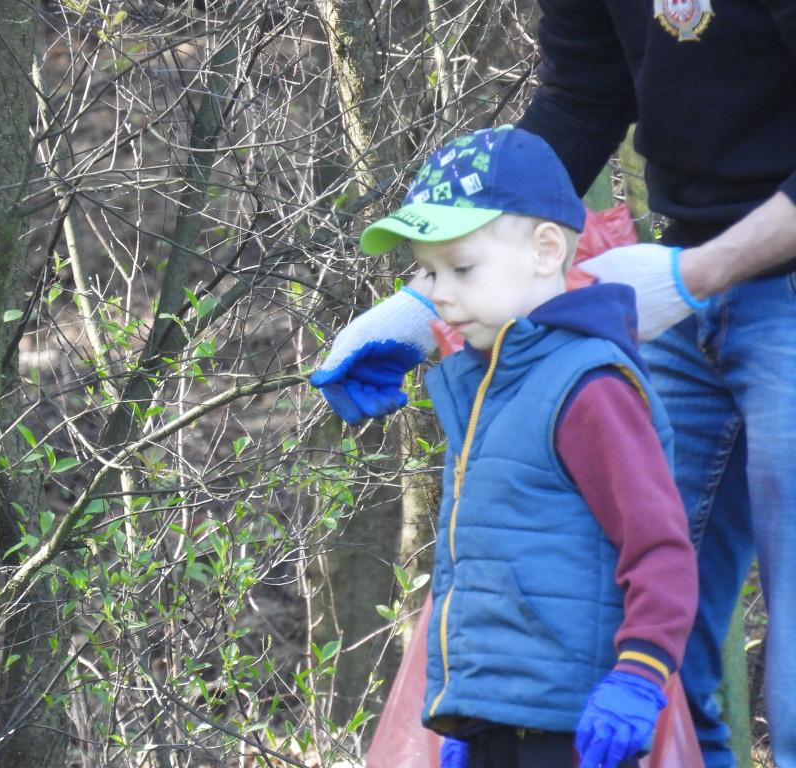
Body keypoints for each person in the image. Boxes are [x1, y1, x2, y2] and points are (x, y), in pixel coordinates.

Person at [310, 6, 796, 766]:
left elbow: (654, 548)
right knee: (672, 689)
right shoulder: (516, 379)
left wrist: (702, 272)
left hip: (756, 283)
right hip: (682, 273)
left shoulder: (587, 386)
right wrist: (426, 298)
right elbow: (580, 99)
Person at [333, 125, 697, 768]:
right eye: (427, 270)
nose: (438, 294)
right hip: (497, 728)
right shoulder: (486, 390)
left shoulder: (588, 389)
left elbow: (659, 546)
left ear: (546, 249)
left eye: (461, 267)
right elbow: (486, 571)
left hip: (577, 730)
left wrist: (640, 674)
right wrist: (469, 718)